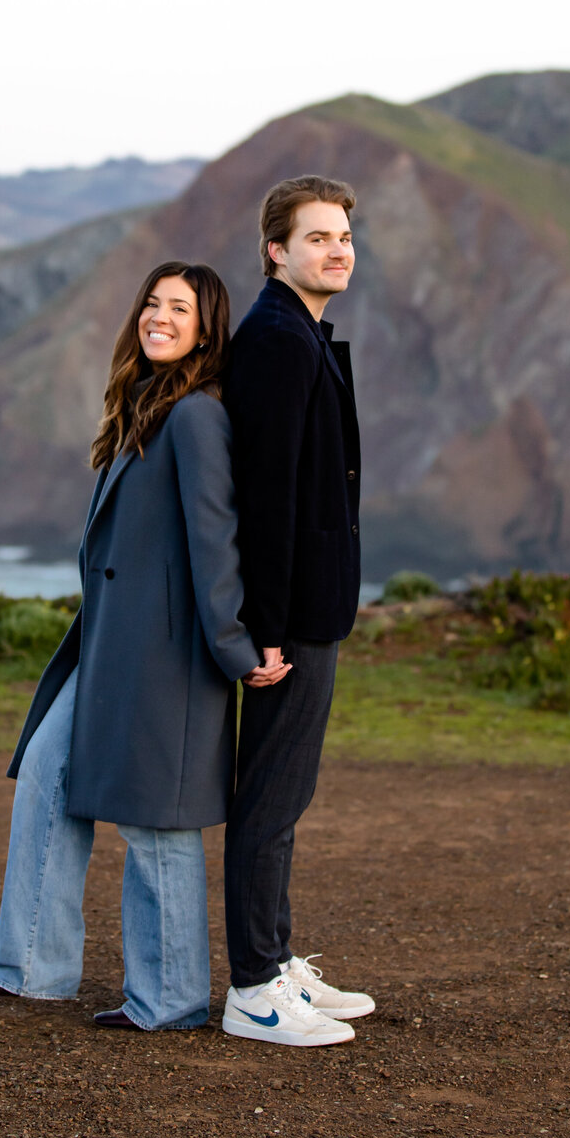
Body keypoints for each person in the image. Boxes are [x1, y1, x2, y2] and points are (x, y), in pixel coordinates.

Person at [0, 262, 275, 1031]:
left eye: (180, 307)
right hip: (108, 643)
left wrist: (236, 650)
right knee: (46, 772)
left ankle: (168, 1001)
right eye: (151, 302)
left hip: (166, 655)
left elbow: (216, 541)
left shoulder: (198, 414)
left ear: (207, 328)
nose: (158, 316)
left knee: (156, 820)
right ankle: (34, 970)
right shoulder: (144, 402)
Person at [220, 175, 374, 1047]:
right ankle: (253, 990)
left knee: (288, 793)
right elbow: (266, 493)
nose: (339, 248)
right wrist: (266, 624)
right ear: (277, 250)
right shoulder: (278, 340)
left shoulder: (301, 334)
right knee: (271, 800)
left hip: (311, 605)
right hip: (292, 616)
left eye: (345, 234)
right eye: (318, 237)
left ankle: (275, 964)